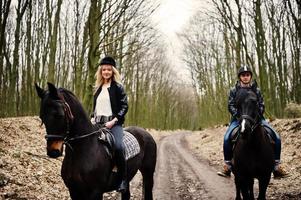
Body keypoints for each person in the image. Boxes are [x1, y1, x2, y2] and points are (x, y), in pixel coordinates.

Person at [217, 65, 288, 178]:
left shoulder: (256, 90)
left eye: (247, 75)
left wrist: (256, 116)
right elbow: (231, 105)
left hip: (257, 119)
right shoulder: (234, 90)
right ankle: (228, 166)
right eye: (243, 75)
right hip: (238, 119)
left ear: (250, 76)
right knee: (226, 139)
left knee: (277, 137)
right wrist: (239, 116)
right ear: (240, 77)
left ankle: (276, 166)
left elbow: (261, 105)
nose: (245, 77)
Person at [91, 56, 129, 192]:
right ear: (100, 72)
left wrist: (114, 120)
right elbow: (95, 107)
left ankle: (123, 180)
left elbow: (124, 106)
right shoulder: (97, 88)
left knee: (118, 147)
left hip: (114, 123)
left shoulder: (118, 87)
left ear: (113, 71)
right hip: (98, 124)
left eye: (108, 69)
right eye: (103, 69)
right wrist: (92, 117)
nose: (106, 72)